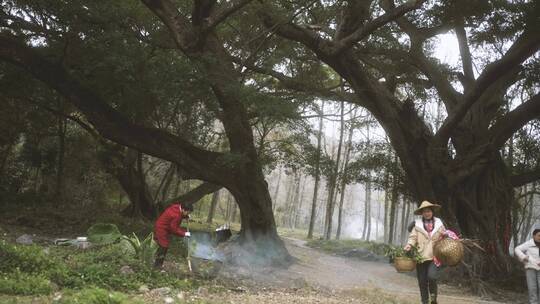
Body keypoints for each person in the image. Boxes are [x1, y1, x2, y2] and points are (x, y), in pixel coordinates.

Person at [404, 200, 446, 304]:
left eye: (429, 211)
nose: (427, 213)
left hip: (434, 256)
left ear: (432, 212)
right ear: (422, 213)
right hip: (421, 256)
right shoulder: (417, 224)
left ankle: (433, 300)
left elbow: (444, 235)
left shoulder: (439, 223)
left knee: (432, 277)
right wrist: (409, 245)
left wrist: (446, 237)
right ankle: (424, 301)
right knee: (422, 281)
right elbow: (413, 237)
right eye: (425, 211)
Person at [153, 202, 193, 269]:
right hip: (161, 229)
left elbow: (180, 215)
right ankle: (157, 266)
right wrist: (184, 233)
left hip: (162, 226)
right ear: (183, 209)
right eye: (188, 212)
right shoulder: (176, 216)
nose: (188, 214)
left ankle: (158, 262)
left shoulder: (177, 207)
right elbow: (174, 229)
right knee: (164, 246)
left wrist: (185, 216)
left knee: (163, 245)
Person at [515, 229, 540, 304]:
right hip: (530, 268)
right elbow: (517, 249)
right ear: (534, 236)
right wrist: (524, 257)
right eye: (539, 235)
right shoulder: (529, 243)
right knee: (532, 288)